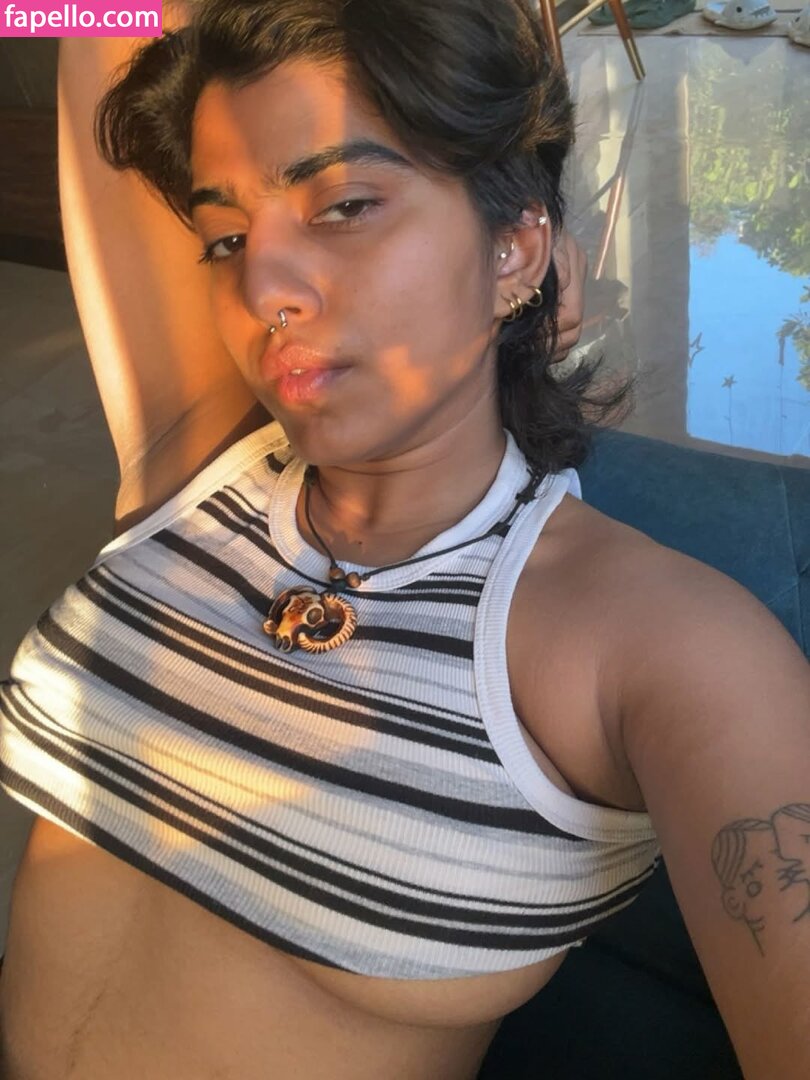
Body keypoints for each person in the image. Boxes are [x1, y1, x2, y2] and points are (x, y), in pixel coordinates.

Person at [0, 2, 808, 1077]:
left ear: (518, 247)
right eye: (225, 237)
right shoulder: (201, 470)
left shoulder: (657, 646)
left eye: (345, 205)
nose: (260, 289)